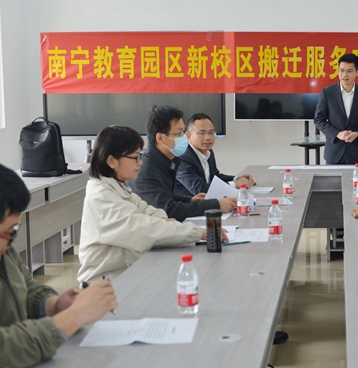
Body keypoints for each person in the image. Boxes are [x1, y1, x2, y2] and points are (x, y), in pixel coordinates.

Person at [0, 163, 117, 367]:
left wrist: (54, 305)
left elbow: (25, 288)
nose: (10, 241)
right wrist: (72, 317)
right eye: (8, 232)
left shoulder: (5, 251)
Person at [78, 126, 224, 284]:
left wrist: (163, 221)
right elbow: (145, 229)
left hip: (127, 274)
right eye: (135, 157)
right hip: (106, 285)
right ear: (111, 160)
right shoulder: (102, 197)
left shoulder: (118, 187)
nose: (140, 162)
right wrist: (198, 232)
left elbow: (147, 210)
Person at [128, 106, 236, 222]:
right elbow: (165, 209)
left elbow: (165, 196)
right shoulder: (145, 168)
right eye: (179, 133)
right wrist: (215, 205)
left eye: (183, 132)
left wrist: (189, 200)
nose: (184, 138)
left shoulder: (167, 160)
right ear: (160, 138)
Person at [314, 53, 358, 164]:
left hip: (357, 153)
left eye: (349, 71)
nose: (344, 75)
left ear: (357, 72)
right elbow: (318, 120)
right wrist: (337, 134)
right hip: (334, 153)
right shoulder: (327, 92)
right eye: (341, 70)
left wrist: (357, 133)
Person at [174, 113, 254, 197]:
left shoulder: (208, 151)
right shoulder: (181, 157)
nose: (208, 137)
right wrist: (235, 184)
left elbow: (215, 177)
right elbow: (199, 189)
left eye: (211, 133)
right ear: (189, 136)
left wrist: (237, 178)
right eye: (202, 133)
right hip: (190, 203)